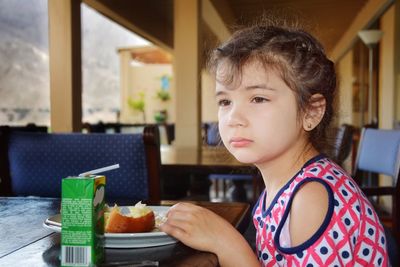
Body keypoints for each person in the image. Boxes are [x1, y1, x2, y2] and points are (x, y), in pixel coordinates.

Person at [160, 20, 389, 266]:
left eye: (258, 98)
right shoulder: (285, 184)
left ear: (310, 113)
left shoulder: (312, 197)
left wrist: (225, 241)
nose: (233, 118)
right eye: (225, 102)